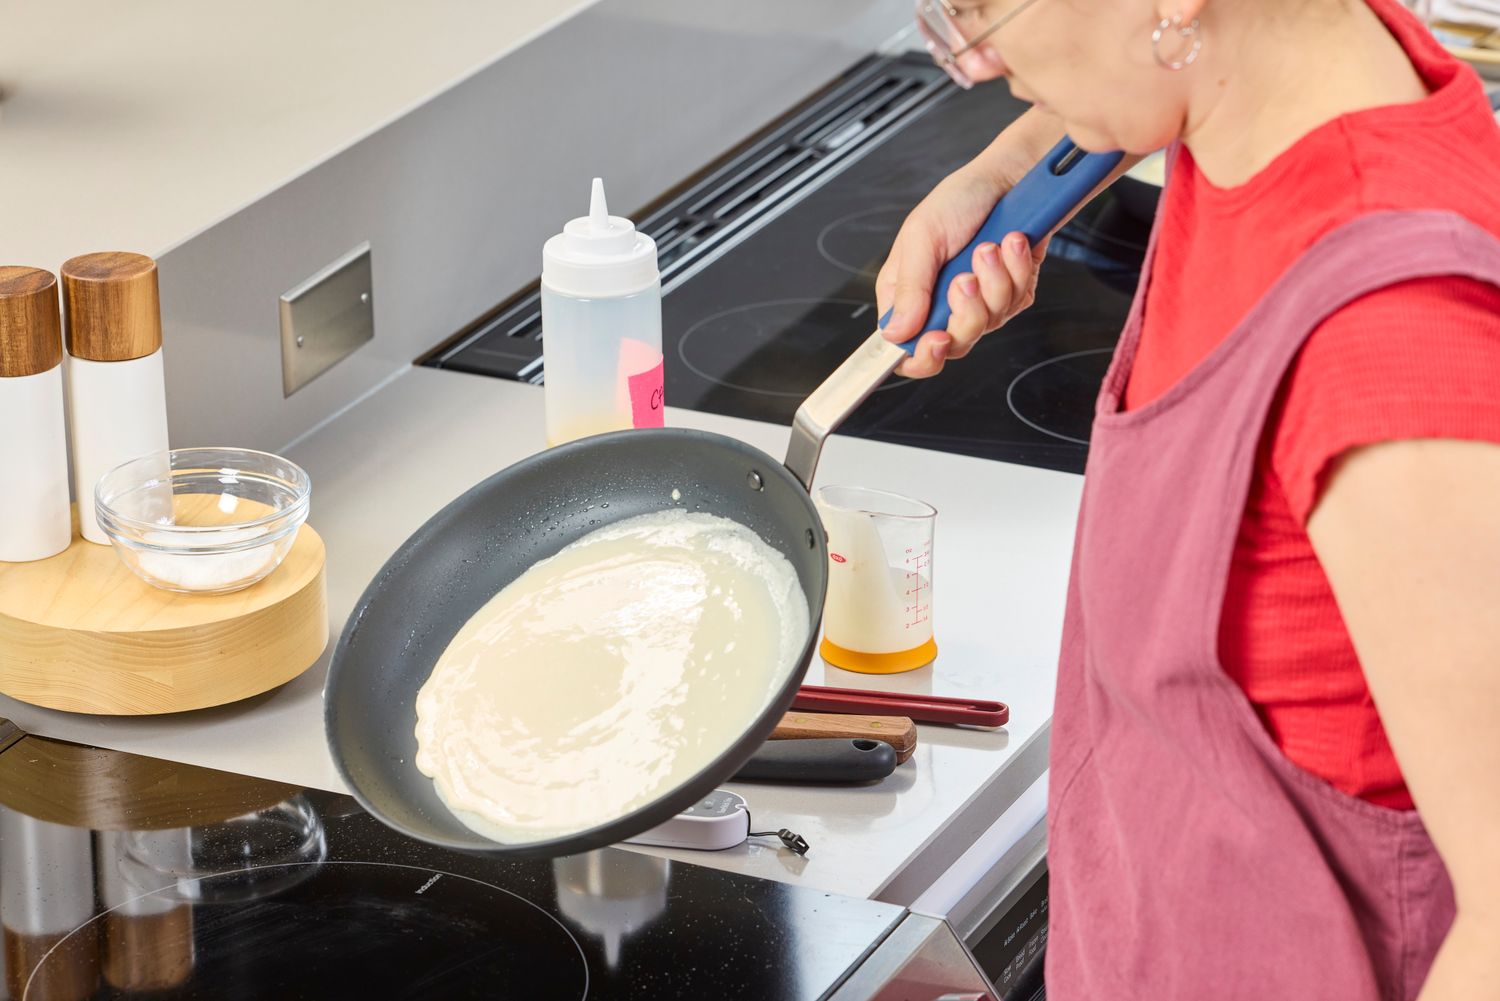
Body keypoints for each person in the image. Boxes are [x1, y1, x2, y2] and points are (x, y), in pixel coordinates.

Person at [880, 0, 1500, 996]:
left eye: (982, 7)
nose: (978, 56)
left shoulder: (1388, 343)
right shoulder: (1260, 80)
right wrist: (999, 176)